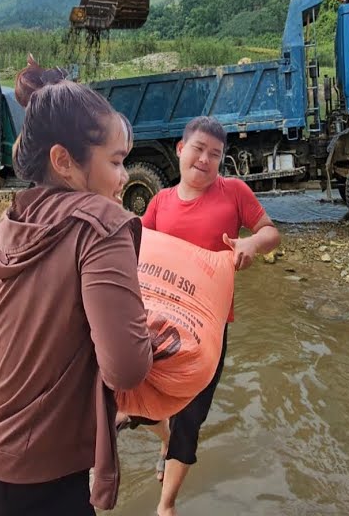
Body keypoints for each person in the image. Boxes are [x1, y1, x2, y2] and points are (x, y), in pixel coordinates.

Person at [0, 64, 152, 516]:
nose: (124, 177)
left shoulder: (14, 217)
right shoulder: (102, 226)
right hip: (46, 481)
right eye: (115, 162)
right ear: (63, 161)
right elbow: (127, 368)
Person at [132, 115, 281, 516]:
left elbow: (270, 232)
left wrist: (251, 245)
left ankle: (166, 505)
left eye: (215, 154)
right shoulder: (160, 202)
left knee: (191, 418)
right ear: (181, 149)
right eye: (198, 149)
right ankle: (164, 437)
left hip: (208, 330)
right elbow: (135, 247)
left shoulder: (234, 192)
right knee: (138, 401)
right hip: (158, 326)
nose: (204, 159)